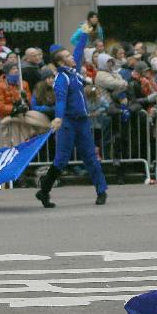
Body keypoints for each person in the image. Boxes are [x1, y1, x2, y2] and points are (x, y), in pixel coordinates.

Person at [35, 24, 108, 208]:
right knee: (61, 159)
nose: (72, 57)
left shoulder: (73, 71)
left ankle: (101, 191)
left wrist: (84, 32)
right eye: (67, 56)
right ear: (60, 63)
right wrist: (58, 117)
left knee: (91, 157)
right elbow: (60, 100)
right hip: (68, 122)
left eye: (69, 55)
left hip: (82, 122)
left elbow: (79, 50)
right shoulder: (61, 79)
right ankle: (44, 191)